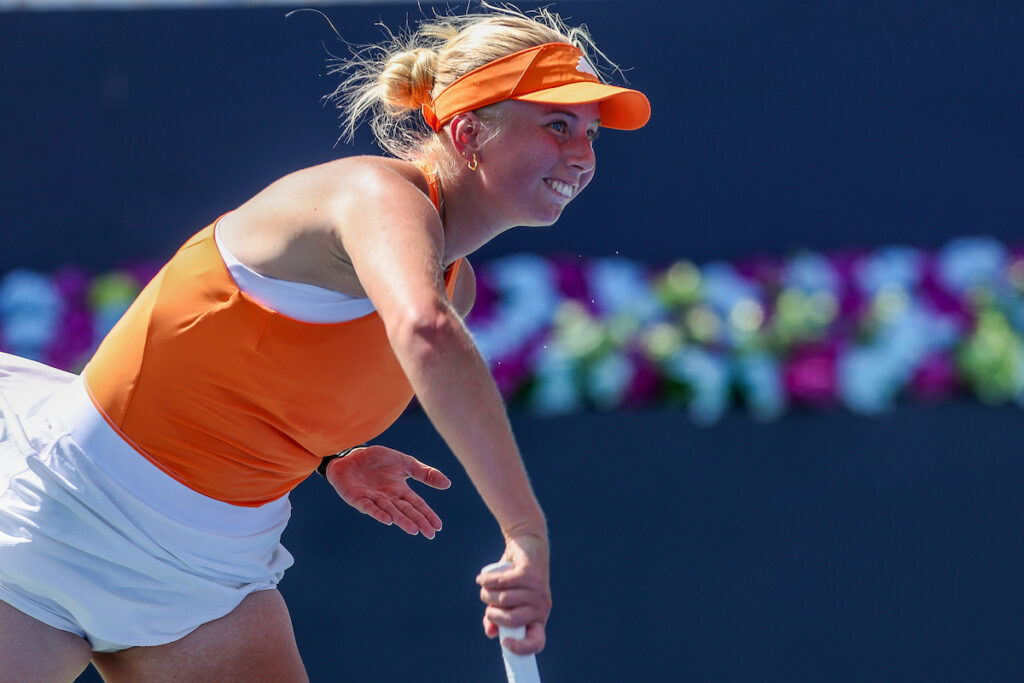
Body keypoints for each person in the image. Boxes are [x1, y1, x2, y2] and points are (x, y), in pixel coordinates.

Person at [0, 3, 650, 681]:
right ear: (466, 132)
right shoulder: (371, 195)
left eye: (591, 133)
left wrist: (329, 453)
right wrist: (525, 531)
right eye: (557, 125)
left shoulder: (456, 285)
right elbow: (425, 334)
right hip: (63, 518)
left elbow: (261, 360)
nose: (582, 153)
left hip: (213, 575)